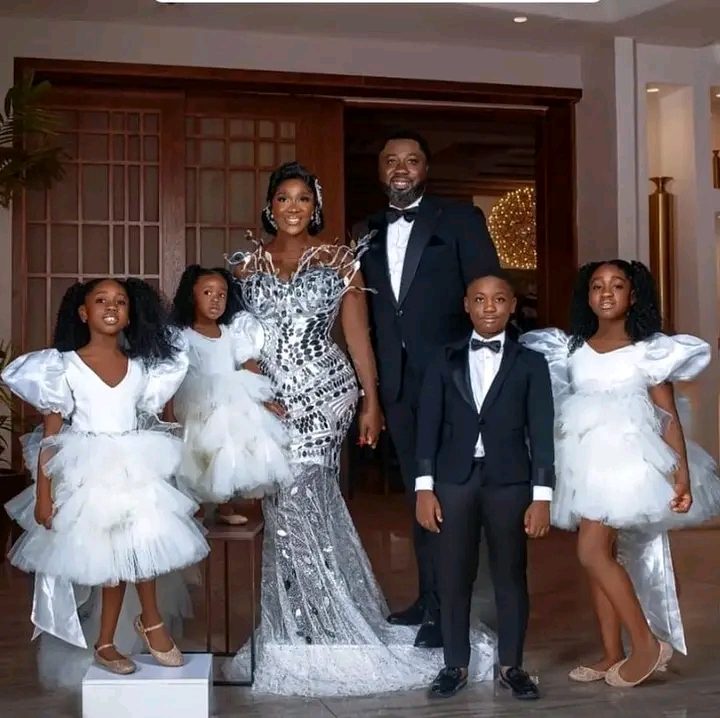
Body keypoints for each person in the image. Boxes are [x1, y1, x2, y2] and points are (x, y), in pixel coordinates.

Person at [224, 161, 496, 695]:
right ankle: (299, 621)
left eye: (304, 198)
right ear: (270, 206)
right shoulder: (245, 266)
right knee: (283, 505)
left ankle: (320, 622)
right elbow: (237, 338)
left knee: (300, 493)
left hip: (327, 391)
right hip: (269, 397)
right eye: (284, 198)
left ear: (316, 207)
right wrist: (251, 383)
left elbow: (358, 337)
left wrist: (372, 401)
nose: (294, 207)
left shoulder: (341, 260)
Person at [520, 260, 720, 688]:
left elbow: (668, 418)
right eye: (597, 286)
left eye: (616, 285)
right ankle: (611, 652)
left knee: (591, 552)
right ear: (587, 296)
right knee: (600, 557)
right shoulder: (572, 349)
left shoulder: (647, 350)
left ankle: (646, 644)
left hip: (629, 463)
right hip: (583, 462)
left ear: (633, 295)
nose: (606, 293)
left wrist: (681, 475)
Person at [2, 278, 209, 676]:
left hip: (134, 465)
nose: (111, 306)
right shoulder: (62, 367)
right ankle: (107, 642)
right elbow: (51, 438)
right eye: (101, 300)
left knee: (142, 542)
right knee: (110, 561)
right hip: (89, 472)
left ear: (130, 315)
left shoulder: (141, 368)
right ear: (83, 313)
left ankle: (150, 620)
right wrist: (44, 495)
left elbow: (147, 410)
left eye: (121, 301)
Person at [357, 130, 501, 647]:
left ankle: (448, 611)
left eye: (412, 160)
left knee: (451, 495)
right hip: (397, 383)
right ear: (380, 170)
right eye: (391, 160)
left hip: (452, 380)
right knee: (419, 492)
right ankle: (428, 598)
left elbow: (488, 293)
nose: (401, 168)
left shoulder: (460, 219)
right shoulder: (365, 231)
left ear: (425, 169)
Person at [415, 273, 554, 700]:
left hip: (509, 481)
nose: (488, 307)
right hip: (452, 480)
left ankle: (512, 666)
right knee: (453, 574)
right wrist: (424, 488)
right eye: (479, 299)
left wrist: (542, 495)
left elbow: (542, 432)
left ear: (512, 306)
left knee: (510, 574)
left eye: (498, 299)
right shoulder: (444, 359)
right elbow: (427, 426)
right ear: (466, 305)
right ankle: (454, 664)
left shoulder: (531, 363)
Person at [168, 265, 292, 523]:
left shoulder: (231, 333)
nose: (215, 299)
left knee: (230, 447)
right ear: (191, 296)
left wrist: (265, 398)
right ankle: (196, 506)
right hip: (197, 401)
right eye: (207, 292)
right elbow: (172, 375)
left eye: (221, 294)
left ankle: (224, 506)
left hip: (231, 400)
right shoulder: (182, 336)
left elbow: (248, 364)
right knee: (197, 452)